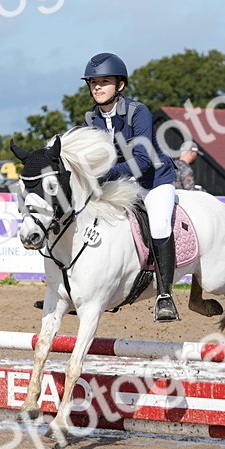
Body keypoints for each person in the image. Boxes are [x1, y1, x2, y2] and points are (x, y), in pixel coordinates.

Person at [81, 52, 180, 322]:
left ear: (120, 85)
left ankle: (165, 295)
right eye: (93, 82)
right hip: (122, 182)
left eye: (104, 82)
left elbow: (143, 161)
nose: (97, 87)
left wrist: (107, 174)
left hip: (154, 179)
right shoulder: (90, 119)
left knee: (159, 225)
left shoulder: (138, 112)